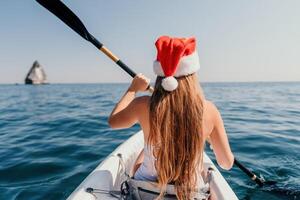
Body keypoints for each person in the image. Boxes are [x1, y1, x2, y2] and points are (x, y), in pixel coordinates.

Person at [108, 36, 234, 199]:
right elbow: (226, 163)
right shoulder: (209, 110)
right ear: (192, 75)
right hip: (190, 194)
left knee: (143, 151)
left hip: (145, 192)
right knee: (202, 173)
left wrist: (133, 89)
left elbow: (113, 121)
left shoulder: (143, 104)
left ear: (160, 75)